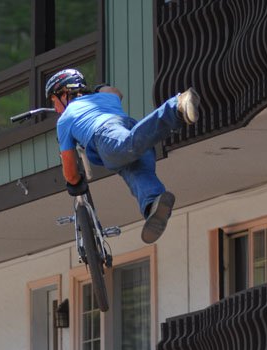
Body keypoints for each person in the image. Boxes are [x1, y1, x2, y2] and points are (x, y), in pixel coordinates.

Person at [45, 68, 200, 245]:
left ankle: (175, 108)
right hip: (128, 126)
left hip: (105, 135)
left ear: (64, 93)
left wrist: (74, 183)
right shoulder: (105, 97)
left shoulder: (65, 119)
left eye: (53, 100)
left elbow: (70, 171)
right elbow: (116, 92)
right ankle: (153, 204)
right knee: (136, 171)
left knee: (127, 146)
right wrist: (97, 88)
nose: (55, 108)